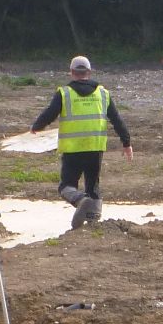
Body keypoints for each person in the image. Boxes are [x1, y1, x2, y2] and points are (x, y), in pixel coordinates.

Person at [30, 55, 132, 229]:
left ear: (71, 72)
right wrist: (126, 143)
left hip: (73, 149)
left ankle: (79, 199)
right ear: (89, 72)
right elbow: (116, 119)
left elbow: (50, 114)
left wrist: (36, 127)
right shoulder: (102, 93)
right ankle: (93, 221)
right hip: (95, 148)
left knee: (66, 186)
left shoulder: (64, 93)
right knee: (93, 186)